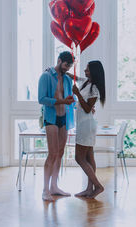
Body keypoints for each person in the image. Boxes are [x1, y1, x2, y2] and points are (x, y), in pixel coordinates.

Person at [38, 51, 75, 201]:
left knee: (60, 153)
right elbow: (42, 99)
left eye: (70, 66)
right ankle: (45, 190)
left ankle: (54, 186)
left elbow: (68, 98)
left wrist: (69, 101)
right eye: (66, 65)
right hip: (51, 119)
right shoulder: (46, 76)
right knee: (52, 154)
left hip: (64, 118)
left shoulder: (67, 79)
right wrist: (61, 102)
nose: (67, 68)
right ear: (59, 60)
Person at [71, 60, 106, 199]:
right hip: (83, 124)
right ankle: (89, 188)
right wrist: (62, 71)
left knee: (79, 158)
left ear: (94, 72)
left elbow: (86, 109)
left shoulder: (95, 88)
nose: (85, 71)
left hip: (86, 125)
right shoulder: (86, 82)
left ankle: (98, 186)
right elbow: (73, 77)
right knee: (89, 157)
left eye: (87, 70)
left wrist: (77, 94)